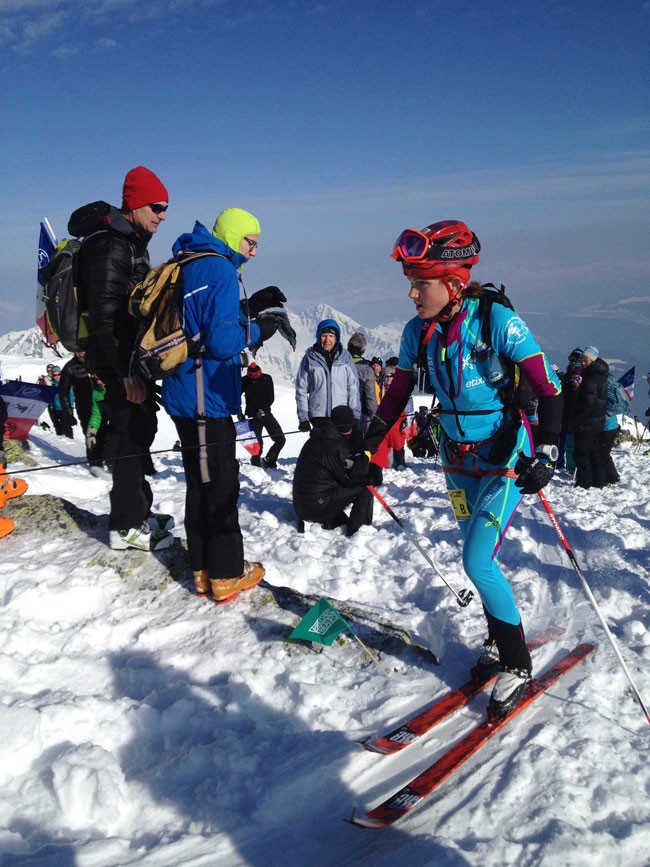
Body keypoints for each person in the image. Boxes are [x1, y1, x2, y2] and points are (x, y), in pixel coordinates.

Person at [363, 219, 563, 719]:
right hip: (456, 463)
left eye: (421, 283)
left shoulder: (495, 321)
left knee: (476, 562)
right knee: (478, 556)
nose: (412, 294)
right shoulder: (417, 332)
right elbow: (396, 394)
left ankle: (516, 663)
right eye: (410, 282)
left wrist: (547, 453)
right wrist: (366, 449)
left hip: (505, 461)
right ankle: (498, 638)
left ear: (453, 282)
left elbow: (549, 387)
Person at [162, 207, 291, 604]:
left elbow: (201, 320)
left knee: (201, 486)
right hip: (206, 398)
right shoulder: (218, 269)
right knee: (219, 488)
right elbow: (219, 342)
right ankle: (226, 573)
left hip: (187, 394)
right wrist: (258, 329)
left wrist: (244, 310)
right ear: (234, 236)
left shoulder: (191, 261)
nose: (254, 251)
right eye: (251, 242)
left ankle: (203, 569)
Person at [71, 165, 173, 551]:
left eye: (165, 208)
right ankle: (125, 525)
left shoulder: (127, 240)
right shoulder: (112, 245)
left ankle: (138, 510)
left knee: (141, 428)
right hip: (118, 359)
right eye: (156, 207)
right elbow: (105, 315)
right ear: (134, 204)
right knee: (130, 433)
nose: (162, 215)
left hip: (126, 357)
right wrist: (126, 373)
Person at [293, 405, 381, 536]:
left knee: (340, 511)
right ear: (347, 428)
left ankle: (322, 521)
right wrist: (365, 471)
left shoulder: (317, 438)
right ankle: (360, 531)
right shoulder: (335, 445)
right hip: (316, 505)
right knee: (365, 486)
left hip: (302, 505)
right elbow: (348, 479)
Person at [295, 319, 360, 432]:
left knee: (340, 443)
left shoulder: (346, 358)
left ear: (336, 338)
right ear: (318, 336)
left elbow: (353, 388)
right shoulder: (310, 358)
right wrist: (303, 418)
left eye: (331, 336)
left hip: (341, 414)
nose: (327, 340)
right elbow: (301, 390)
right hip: (319, 416)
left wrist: (355, 414)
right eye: (324, 335)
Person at [571, 346, 608, 489]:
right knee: (594, 452)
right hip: (597, 422)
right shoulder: (600, 374)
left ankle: (584, 483)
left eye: (584, 359)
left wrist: (578, 421)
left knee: (581, 454)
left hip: (587, 423)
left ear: (590, 359)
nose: (582, 361)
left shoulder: (590, 379)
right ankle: (599, 481)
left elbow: (588, 403)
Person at [241, 361, 286, 468]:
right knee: (257, 445)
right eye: (251, 377)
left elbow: (271, 397)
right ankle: (255, 467)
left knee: (280, 439)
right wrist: (239, 412)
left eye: (255, 377)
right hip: (252, 416)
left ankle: (270, 460)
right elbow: (236, 396)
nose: (253, 379)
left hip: (266, 413)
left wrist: (262, 410)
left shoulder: (267, 379)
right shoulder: (244, 381)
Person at [59, 351, 93, 442]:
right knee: (91, 438)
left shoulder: (97, 360)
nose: (80, 353)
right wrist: (68, 414)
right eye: (77, 351)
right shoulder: (69, 367)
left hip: (104, 406)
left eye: (82, 350)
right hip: (85, 408)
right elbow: (63, 392)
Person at [346, 332, 377, 429]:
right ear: (363, 350)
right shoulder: (367, 370)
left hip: (339, 415)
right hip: (360, 417)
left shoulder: (338, 365)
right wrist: (375, 418)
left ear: (348, 347)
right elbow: (370, 398)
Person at [47, 365, 75, 437]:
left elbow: (71, 395)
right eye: (55, 375)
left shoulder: (66, 383)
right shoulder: (53, 385)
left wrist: (70, 406)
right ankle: (60, 440)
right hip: (56, 409)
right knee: (58, 427)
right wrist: (51, 406)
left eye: (58, 374)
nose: (57, 376)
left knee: (67, 426)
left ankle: (69, 440)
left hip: (65, 408)